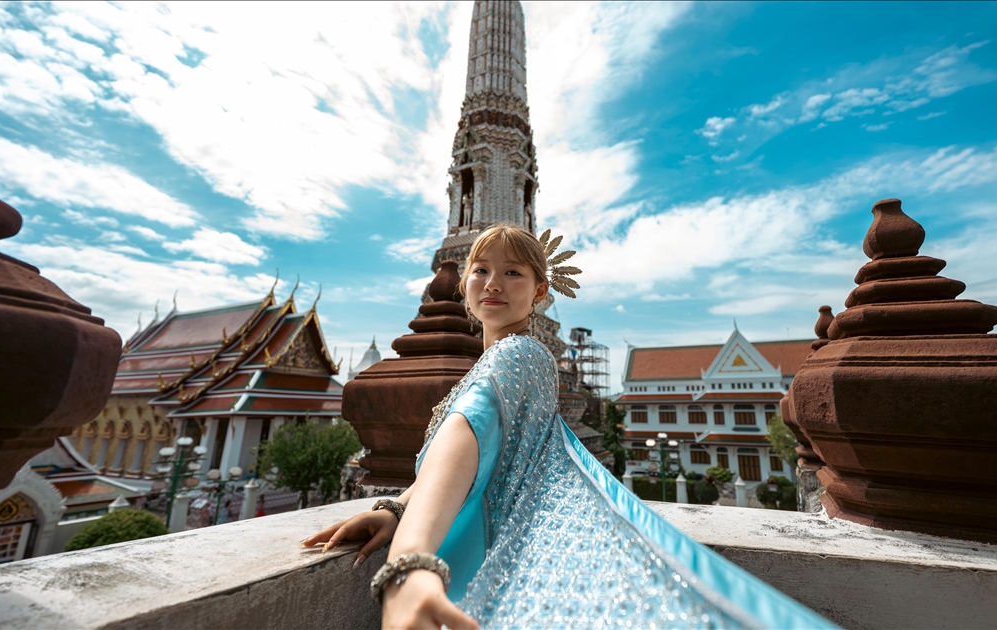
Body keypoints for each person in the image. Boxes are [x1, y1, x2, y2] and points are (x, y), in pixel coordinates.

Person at [303, 225, 834, 629]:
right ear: (463, 282)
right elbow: (460, 457)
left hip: (478, 567)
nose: (493, 283)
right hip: (476, 554)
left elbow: (463, 436)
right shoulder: (495, 361)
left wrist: (410, 567)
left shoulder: (521, 356)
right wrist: (395, 509)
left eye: (514, 272)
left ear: (539, 293)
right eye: (481, 269)